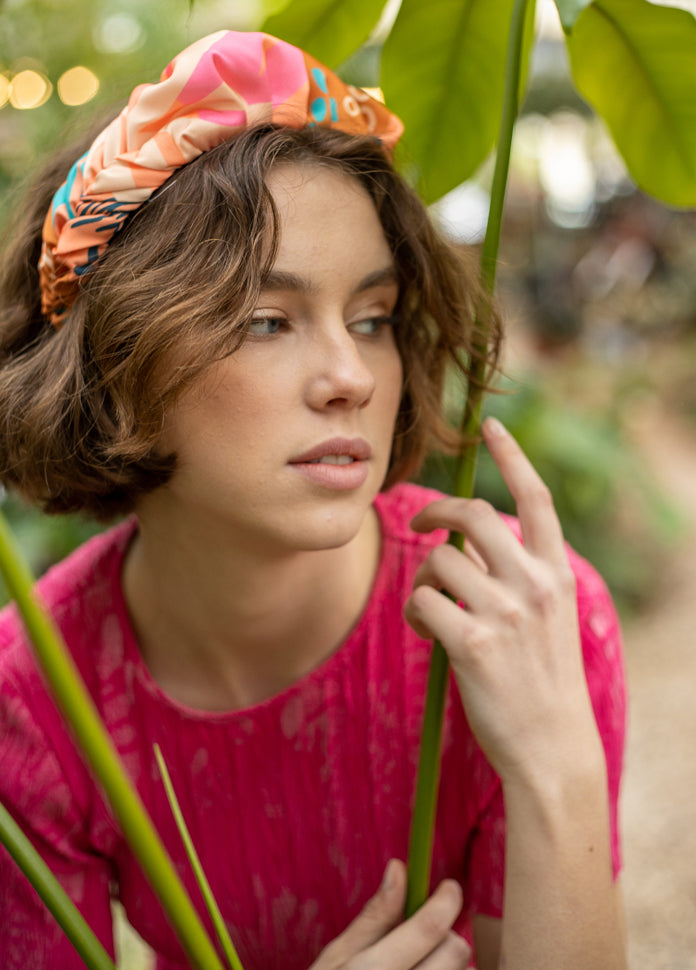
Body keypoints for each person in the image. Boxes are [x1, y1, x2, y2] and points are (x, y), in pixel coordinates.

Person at [0, 30, 627, 970]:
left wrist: (558, 770)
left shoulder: (521, 618)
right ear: (118, 359)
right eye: (265, 320)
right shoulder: (33, 700)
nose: (352, 378)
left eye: (371, 318)